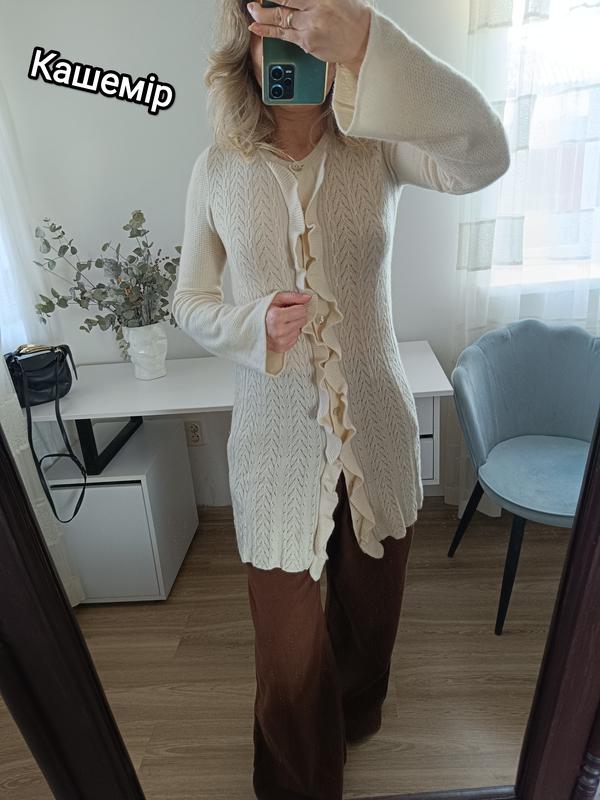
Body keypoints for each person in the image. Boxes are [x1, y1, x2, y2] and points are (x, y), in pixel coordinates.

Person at [172, 1, 510, 797]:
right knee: (288, 652)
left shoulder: (381, 146)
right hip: (272, 444)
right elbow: (188, 300)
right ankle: (300, 780)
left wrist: (371, 43)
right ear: (247, 46)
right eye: (276, 27)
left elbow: (484, 154)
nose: (295, 45)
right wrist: (250, 324)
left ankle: (353, 720)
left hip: (379, 431)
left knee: (370, 618)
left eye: (310, 24)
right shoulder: (216, 169)